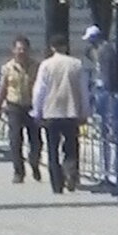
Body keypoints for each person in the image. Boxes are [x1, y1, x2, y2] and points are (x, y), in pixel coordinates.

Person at [31, 38, 88, 193]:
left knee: (52, 149)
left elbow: (39, 91)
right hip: (71, 112)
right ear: (66, 46)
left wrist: (37, 112)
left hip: (51, 112)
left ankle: (57, 184)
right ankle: (70, 170)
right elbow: (84, 91)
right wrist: (84, 112)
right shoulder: (77, 64)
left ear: (52, 47)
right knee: (71, 145)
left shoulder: (46, 65)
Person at [0, 36, 38, 185]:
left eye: (24, 49)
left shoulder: (36, 66)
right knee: (15, 140)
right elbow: (2, 89)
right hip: (14, 106)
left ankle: (34, 161)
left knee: (36, 140)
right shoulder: (8, 68)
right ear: (13, 50)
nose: (21, 52)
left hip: (32, 106)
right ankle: (18, 172)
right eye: (18, 49)